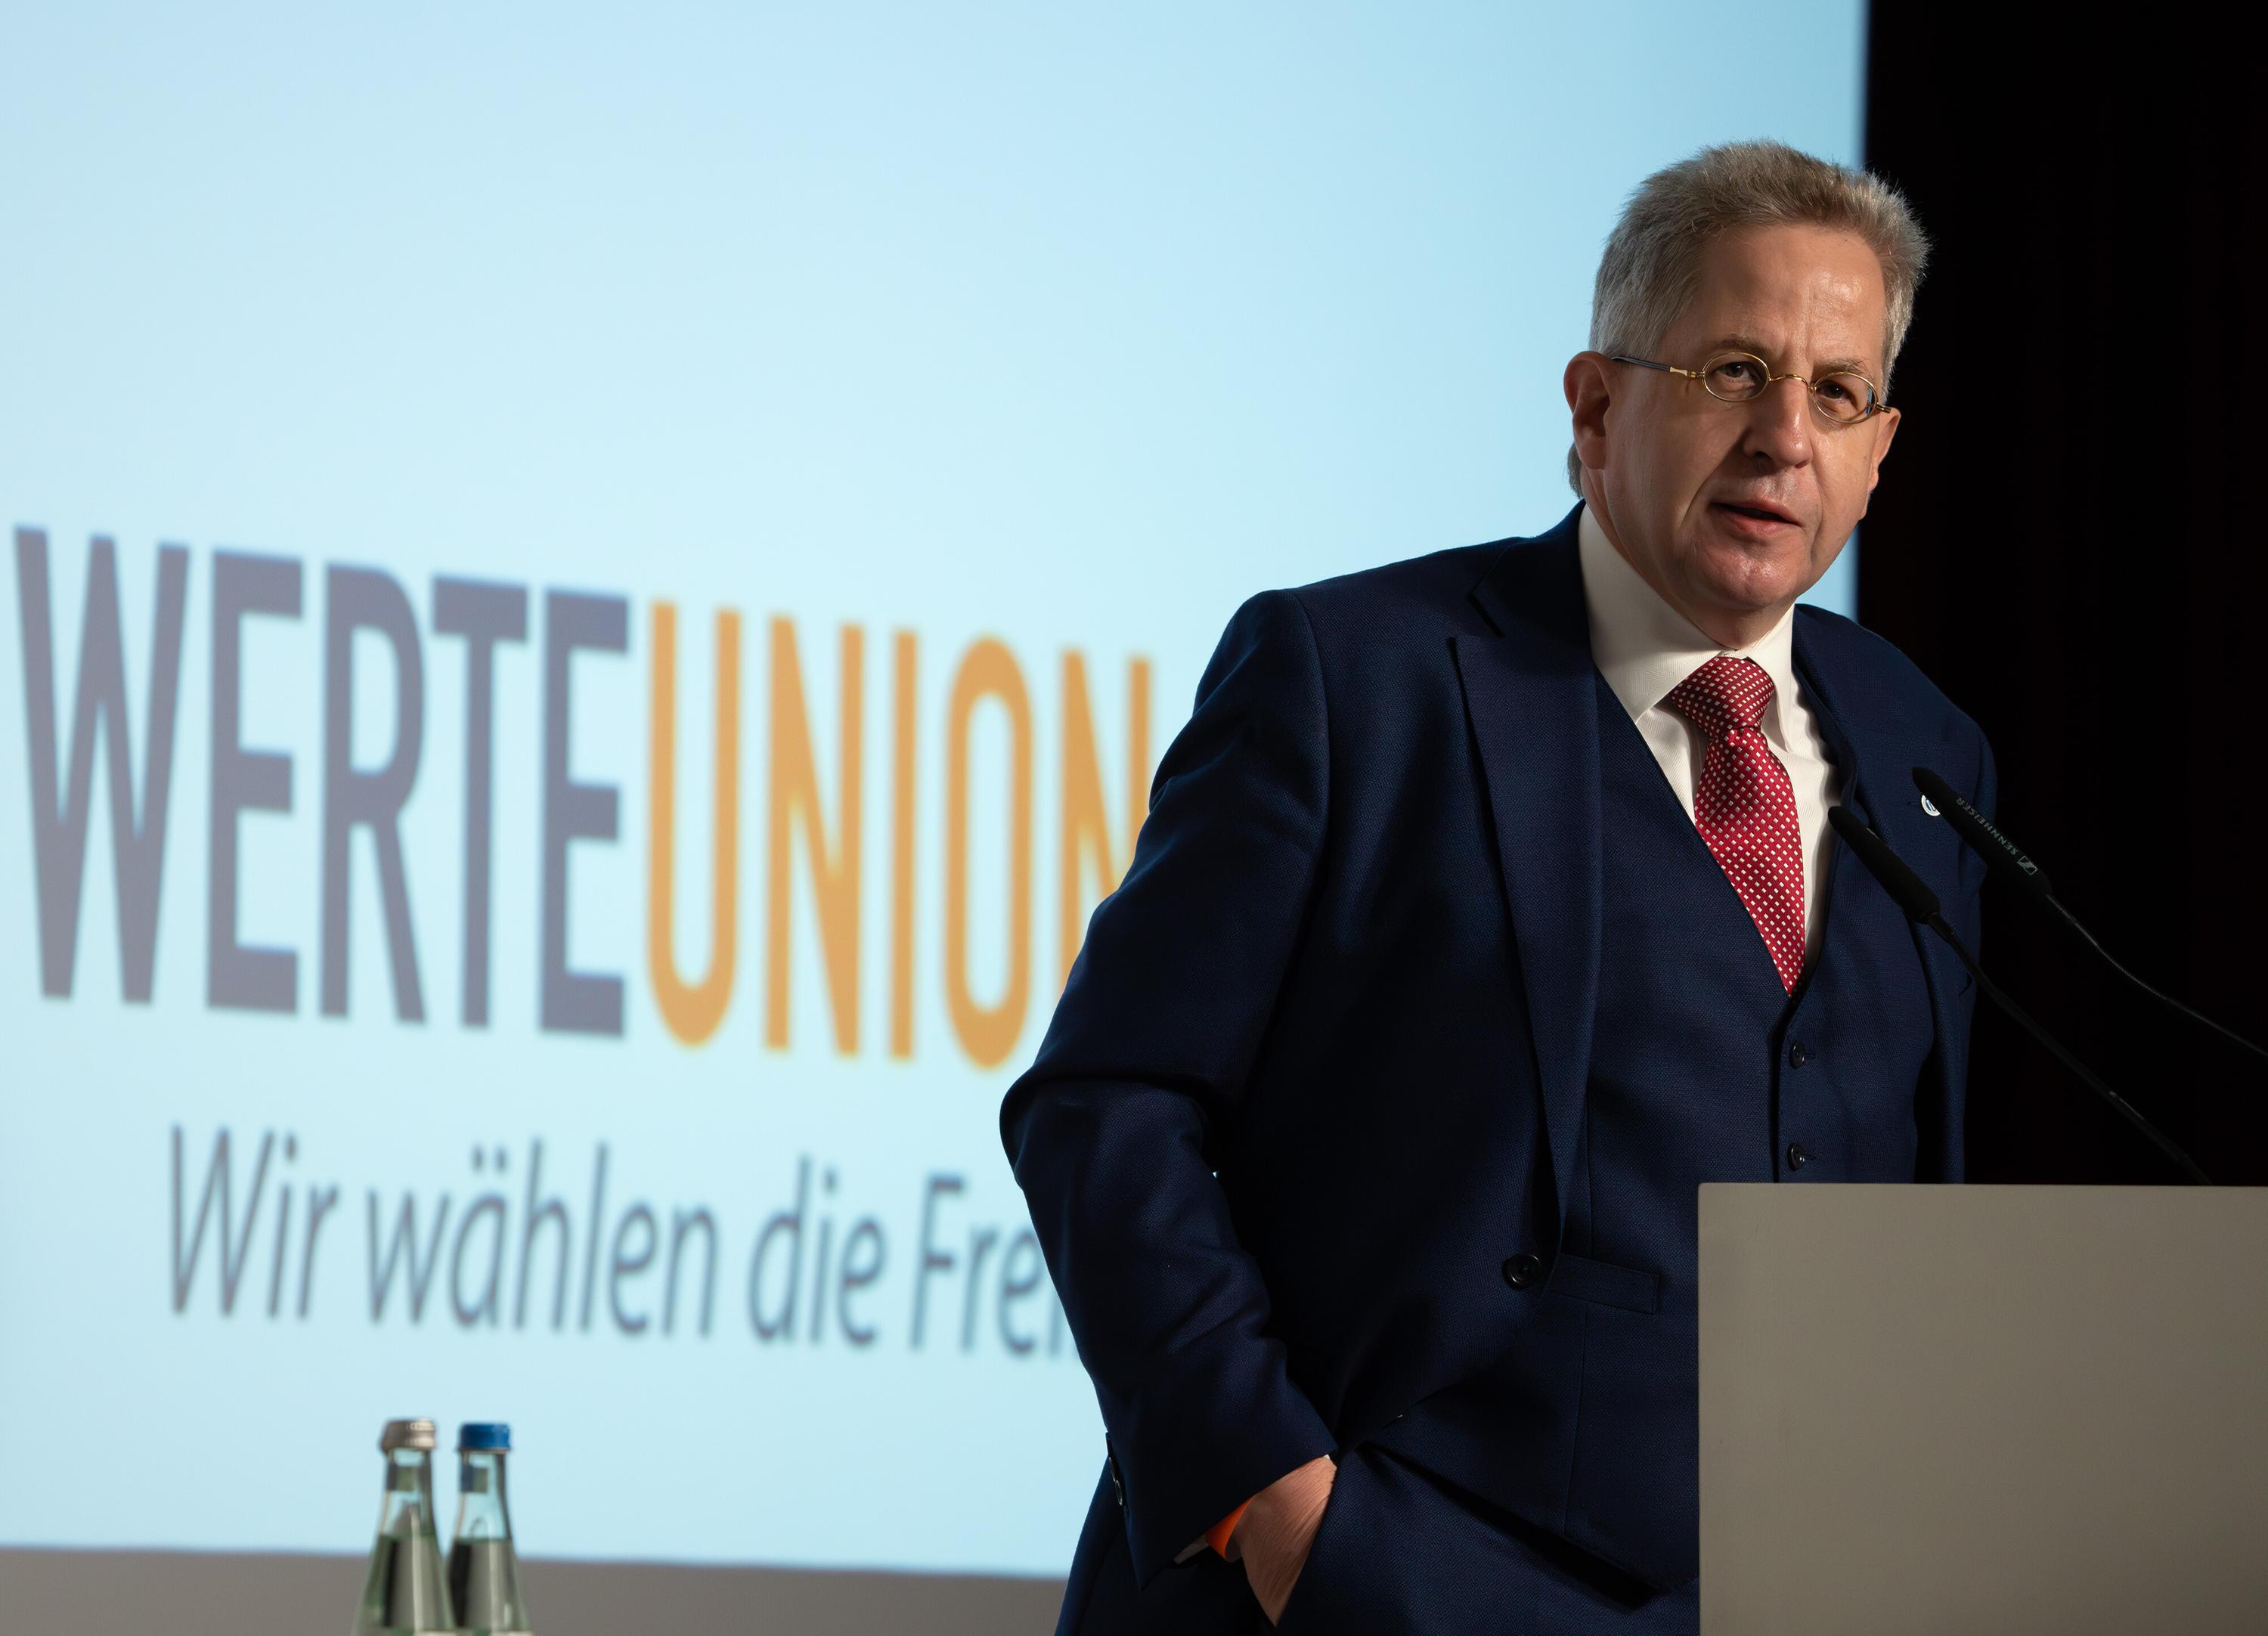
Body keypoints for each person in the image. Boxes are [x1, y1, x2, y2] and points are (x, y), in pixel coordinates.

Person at [1000, 139, 1991, 1635]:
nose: (1786, 437)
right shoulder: (1350, 679)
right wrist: (1277, 1506)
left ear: (1881, 448)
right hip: (1376, 1584)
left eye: (1837, 391)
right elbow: (1104, 1102)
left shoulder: (1929, 751)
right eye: (1735, 370)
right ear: (1595, 407)